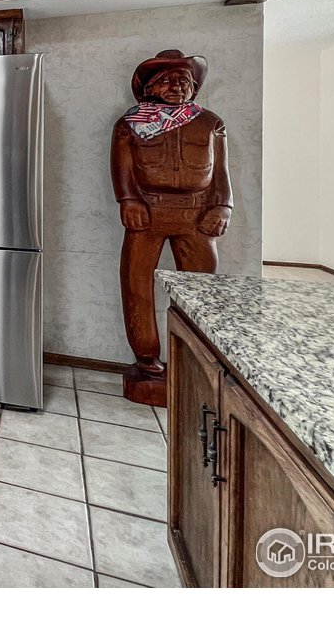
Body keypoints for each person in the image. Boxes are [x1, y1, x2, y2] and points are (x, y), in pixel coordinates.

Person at [110, 50, 232, 405]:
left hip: (197, 214)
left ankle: (194, 360)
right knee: (136, 286)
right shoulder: (131, 123)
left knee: (200, 291)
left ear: (193, 88)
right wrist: (128, 200)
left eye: (183, 80)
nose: (175, 86)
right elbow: (122, 167)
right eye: (165, 80)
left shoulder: (209, 122)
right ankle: (147, 360)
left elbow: (221, 170)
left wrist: (222, 205)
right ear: (149, 88)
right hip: (147, 211)